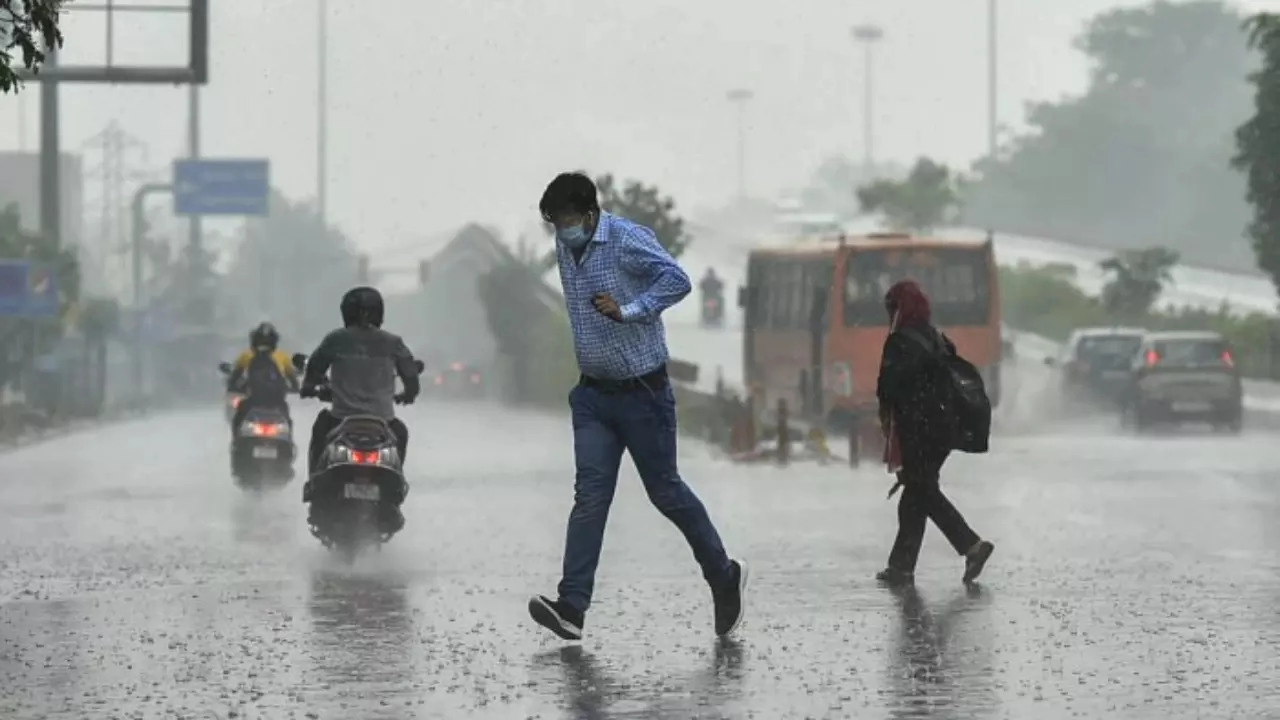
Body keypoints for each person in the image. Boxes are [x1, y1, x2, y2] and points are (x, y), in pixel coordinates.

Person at [527, 171, 748, 642]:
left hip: (643, 394)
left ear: (589, 215)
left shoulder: (626, 239)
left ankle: (723, 575)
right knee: (590, 497)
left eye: (566, 221)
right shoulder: (566, 247)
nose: (561, 231)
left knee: (665, 492)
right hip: (592, 397)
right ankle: (572, 607)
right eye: (554, 223)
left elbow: (678, 280)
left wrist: (629, 309)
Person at [875, 279, 995, 586]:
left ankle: (971, 545)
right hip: (944, 431)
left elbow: (888, 388)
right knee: (916, 494)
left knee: (923, 492)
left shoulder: (900, 342)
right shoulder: (938, 339)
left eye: (891, 308)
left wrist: (886, 420)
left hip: (917, 431)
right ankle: (901, 567)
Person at [299, 286, 419, 533]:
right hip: (383, 423)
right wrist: (408, 394)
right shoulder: (393, 343)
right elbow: (411, 376)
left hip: (341, 419)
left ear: (347, 311)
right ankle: (395, 493)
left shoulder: (336, 340)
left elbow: (314, 370)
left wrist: (311, 387)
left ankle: (313, 486)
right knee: (402, 433)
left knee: (320, 428)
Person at [227, 321, 298, 433]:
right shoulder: (283, 356)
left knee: (239, 417)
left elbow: (234, 378)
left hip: (254, 400)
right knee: (287, 420)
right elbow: (294, 381)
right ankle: (288, 445)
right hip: (277, 402)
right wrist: (293, 388)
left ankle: (236, 442)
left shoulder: (246, 355)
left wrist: (234, 387)